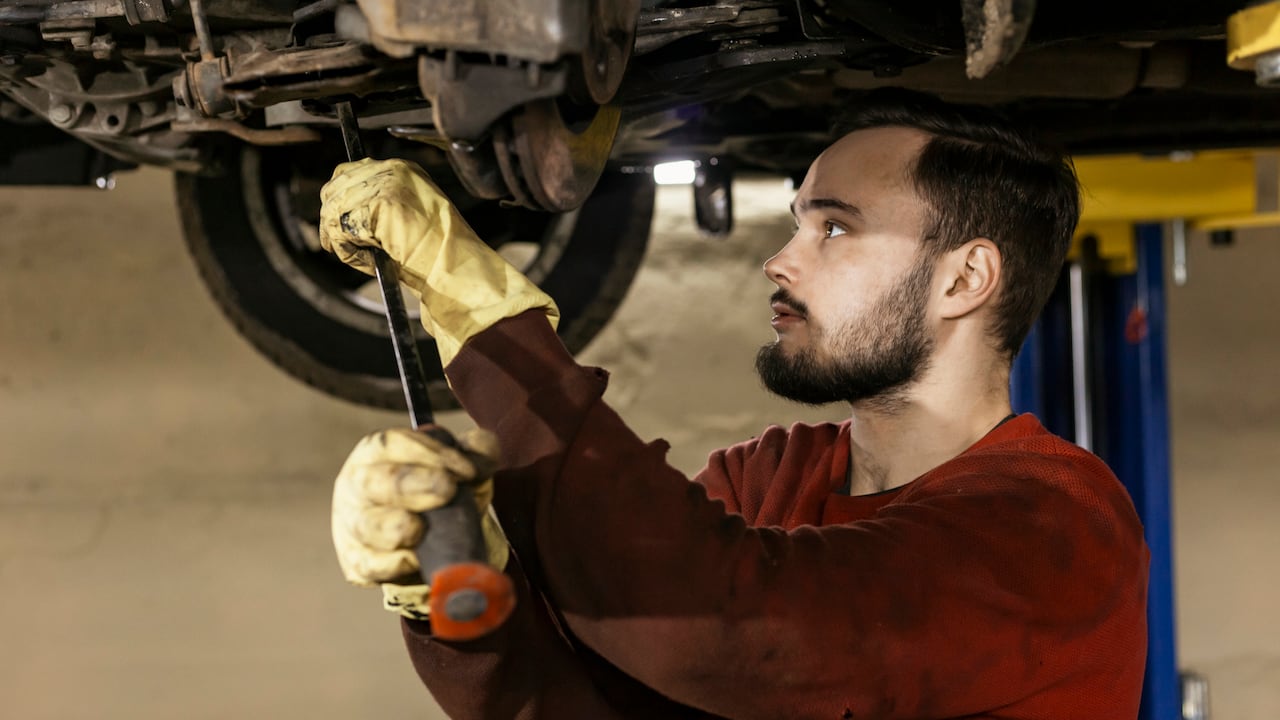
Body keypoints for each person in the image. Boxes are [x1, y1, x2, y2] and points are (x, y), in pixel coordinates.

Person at [321, 89, 1150, 720]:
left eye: (833, 229)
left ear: (964, 280)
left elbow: (717, 625)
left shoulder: (1056, 529)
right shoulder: (768, 481)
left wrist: (477, 310)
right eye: (796, 223)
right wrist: (454, 581)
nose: (779, 261)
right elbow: (605, 693)